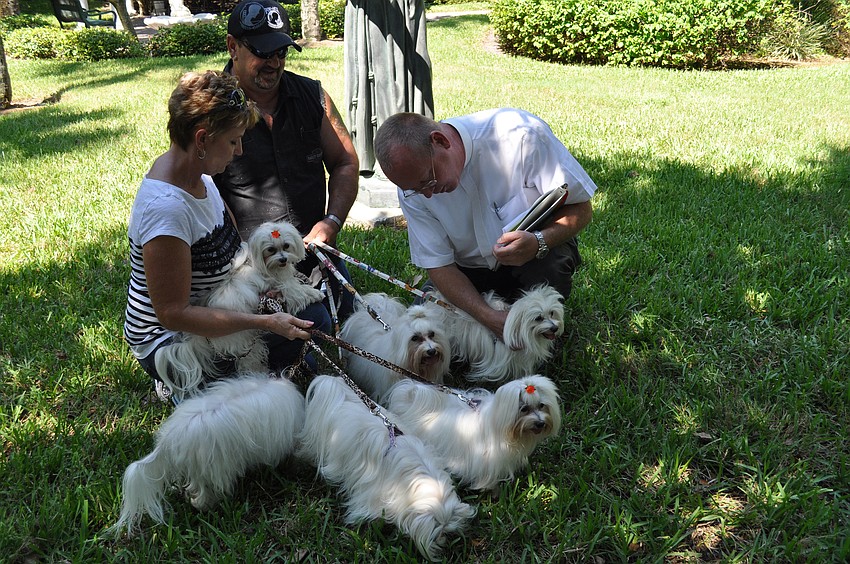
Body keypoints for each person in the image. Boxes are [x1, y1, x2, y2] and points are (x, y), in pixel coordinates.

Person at [124, 70, 330, 401]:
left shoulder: (201, 179)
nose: (239, 152)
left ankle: (260, 375)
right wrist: (263, 323)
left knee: (313, 319)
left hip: (223, 303)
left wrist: (269, 290)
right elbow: (173, 314)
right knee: (244, 410)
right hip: (176, 338)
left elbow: (236, 251)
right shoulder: (167, 211)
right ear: (203, 140)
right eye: (233, 141)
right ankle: (177, 378)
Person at [373, 108, 597, 341]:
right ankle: (500, 311)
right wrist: (486, 316)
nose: (428, 194)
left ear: (440, 141)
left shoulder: (521, 136)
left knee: (552, 267)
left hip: (536, 257)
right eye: (417, 190)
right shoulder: (412, 189)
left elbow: (581, 208)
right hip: (468, 271)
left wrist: (538, 241)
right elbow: (439, 265)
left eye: (429, 180)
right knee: (424, 326)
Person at [215, 0, 359, 320]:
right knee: (310, 329)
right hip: (248, 264)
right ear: (232, 47)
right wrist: (242, 263)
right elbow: (198, 190)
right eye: (263, 52)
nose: (274, 63)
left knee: (352, 318)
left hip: (311, 249)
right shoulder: (210, 107)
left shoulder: (312, 96)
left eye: (281, 52)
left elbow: (346, 162)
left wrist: (331, 222)